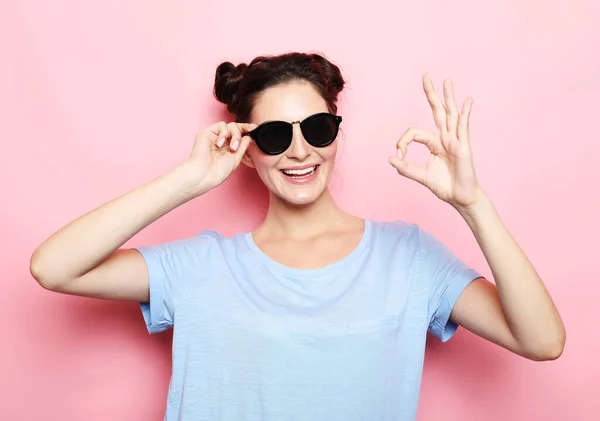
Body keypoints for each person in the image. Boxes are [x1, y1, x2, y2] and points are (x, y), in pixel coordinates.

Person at [30, 52, 565, 421]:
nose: (299, 150)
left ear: (336, 133)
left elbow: (542, 341)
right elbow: (54, 267)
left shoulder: (408, 256)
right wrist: (188, 180)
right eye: (273, 136)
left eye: (316, 128)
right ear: (248, 150)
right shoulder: (201, 267)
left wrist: (473, 205)